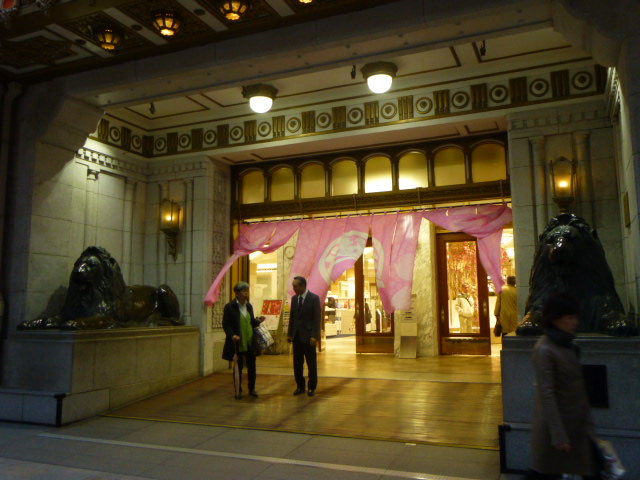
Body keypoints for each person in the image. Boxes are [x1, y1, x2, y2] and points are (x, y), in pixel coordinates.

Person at [528, 293, 600, 480]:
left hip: (576, 426)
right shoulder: (545, 349)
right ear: (555, 319)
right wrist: (558, 435)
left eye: (576, 317)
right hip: (558, 430)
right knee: (545, 473)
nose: (575, 322)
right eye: (570, 317)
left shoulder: (567, 345)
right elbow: (547, 394)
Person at [221, 281, 265, 399]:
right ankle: (238, 389)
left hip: (249, 341)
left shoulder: (249, 306)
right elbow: (226, 325)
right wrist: (232, 335)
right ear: (237, 293)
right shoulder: (230, 307)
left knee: (252, 367)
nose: (246, 293)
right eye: (243, 291)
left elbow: (251, 322)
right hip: (238, 342)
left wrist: (258, 320)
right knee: (238, 367)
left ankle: (252, 389)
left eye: (247, 290)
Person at [287, 276, 322, 397]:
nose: (294, 288)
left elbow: (317, 319)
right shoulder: (294, 299)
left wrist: (314, 336)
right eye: (293, 286)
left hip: (308, 337)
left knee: (311, 363)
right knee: (297, 363)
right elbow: (292, 317)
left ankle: (312, 387)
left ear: (303, 286)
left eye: (295, 286)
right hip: (297, 336)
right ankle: (300, 386)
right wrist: (290, 334)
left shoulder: (314, 298)